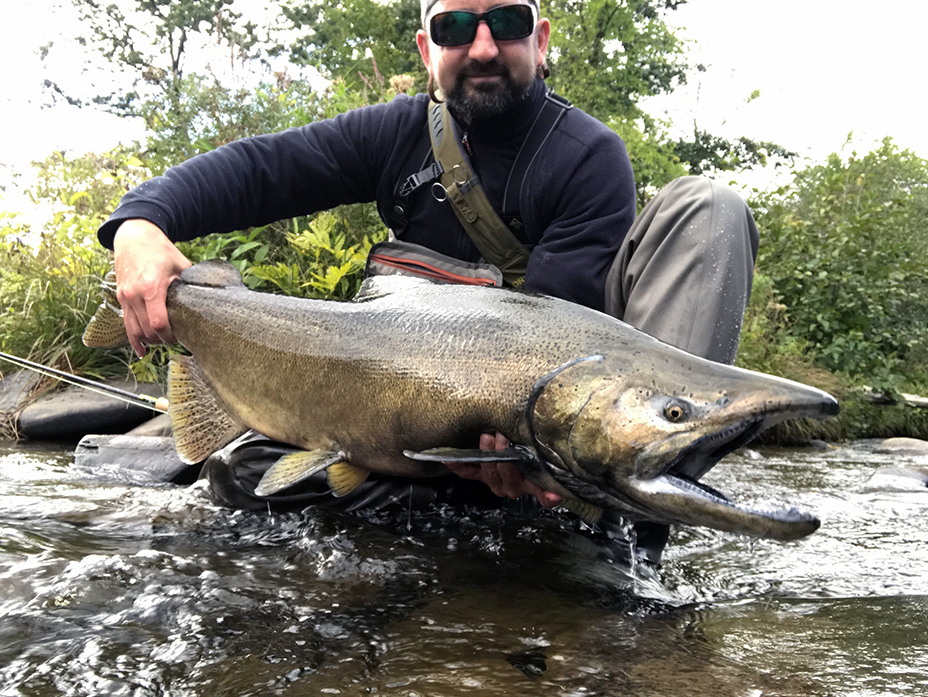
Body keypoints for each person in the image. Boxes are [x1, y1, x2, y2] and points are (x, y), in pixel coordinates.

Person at [97, 0, 759, 568]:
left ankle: (629, 528)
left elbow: (554, 342)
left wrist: (521, 447)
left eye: (505, 21)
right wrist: (138, 224)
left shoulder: (587, 155)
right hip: (421, 427)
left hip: (562, 402)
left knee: (711, 208)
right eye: (454, 28)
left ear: (542, 38)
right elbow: (265, 168)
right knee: (242, 476)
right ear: (425, 48)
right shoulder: (396, 134)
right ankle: (477, 520)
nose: (482, 45)